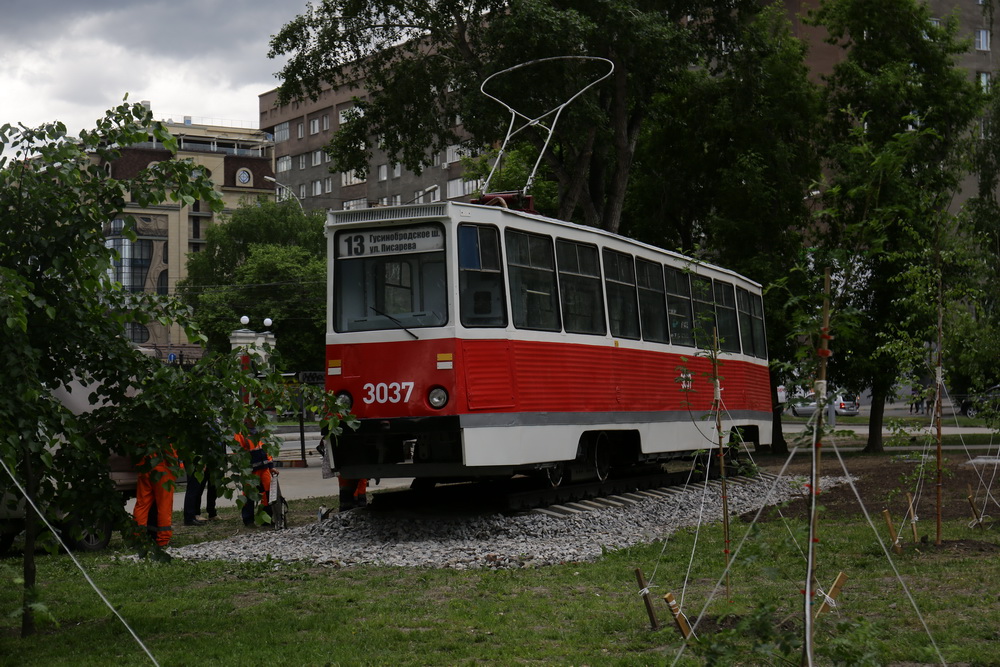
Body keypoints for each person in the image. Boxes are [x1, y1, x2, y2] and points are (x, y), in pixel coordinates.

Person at [133, 448, 178, 547]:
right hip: (163, 468)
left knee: (142, 504)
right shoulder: (164, 437)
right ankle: (163, 539)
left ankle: (137, 538)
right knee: (164, 505)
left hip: (144, 467)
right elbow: (170, 450)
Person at [234, 424, 275, 526]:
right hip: (250, 470)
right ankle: (248, 520)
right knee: (249, 494)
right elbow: (238, 452)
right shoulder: (240, 433)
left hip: (264, 468)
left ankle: (266, 519)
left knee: (267, 493)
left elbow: (266, 449)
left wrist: (271, 466)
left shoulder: (261, 430)